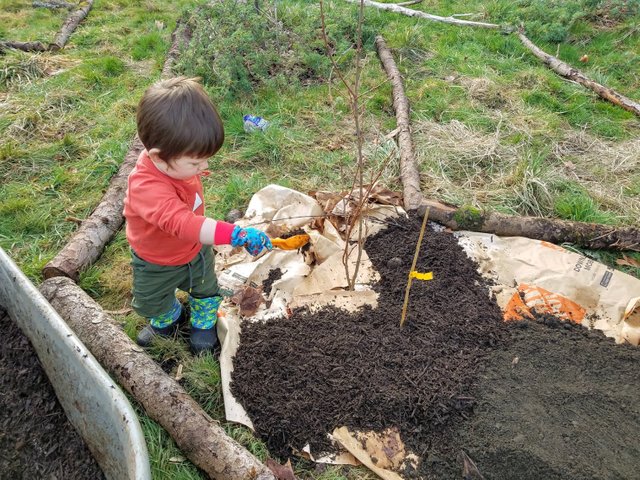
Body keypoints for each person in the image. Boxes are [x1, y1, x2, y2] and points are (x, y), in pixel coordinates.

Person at [123, 76, 271, 354]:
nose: (204, 167)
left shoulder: (176, 164)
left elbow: (192, 229)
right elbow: (182, 223)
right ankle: (168, 316)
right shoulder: (146, 187)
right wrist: (235, 234)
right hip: (156, 260)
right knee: (151, 300)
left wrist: (191, 165)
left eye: (206, 159)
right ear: (157, 157)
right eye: (195, 161)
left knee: (205, 288)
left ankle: (203, 321)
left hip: (194, 249)